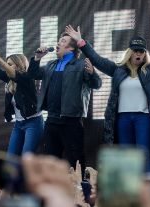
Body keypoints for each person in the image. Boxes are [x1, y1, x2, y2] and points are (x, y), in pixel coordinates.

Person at [65, 25, 150, 173]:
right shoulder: (118, 70)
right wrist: (81, 42)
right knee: (126, 158)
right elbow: (97, 60)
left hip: (143, 118)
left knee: (145, 156)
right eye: (135, 50)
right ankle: (128, 194)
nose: (138, 53)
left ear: (145, 53)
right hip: (123, 119)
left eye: (141, 51)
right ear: (130, 52)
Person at [27, 32, 102, 171]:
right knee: (50, 161)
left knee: (76, 161)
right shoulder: (50, 65)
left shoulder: (80, 65)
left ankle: (79, 189)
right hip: (51, 120)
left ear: (71, 48)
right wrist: (37, 58)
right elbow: (33, 74)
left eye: (62, 41)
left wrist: (92, 73)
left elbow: (97, 84)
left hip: (71, 121)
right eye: (59, 41)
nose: (57, 43)